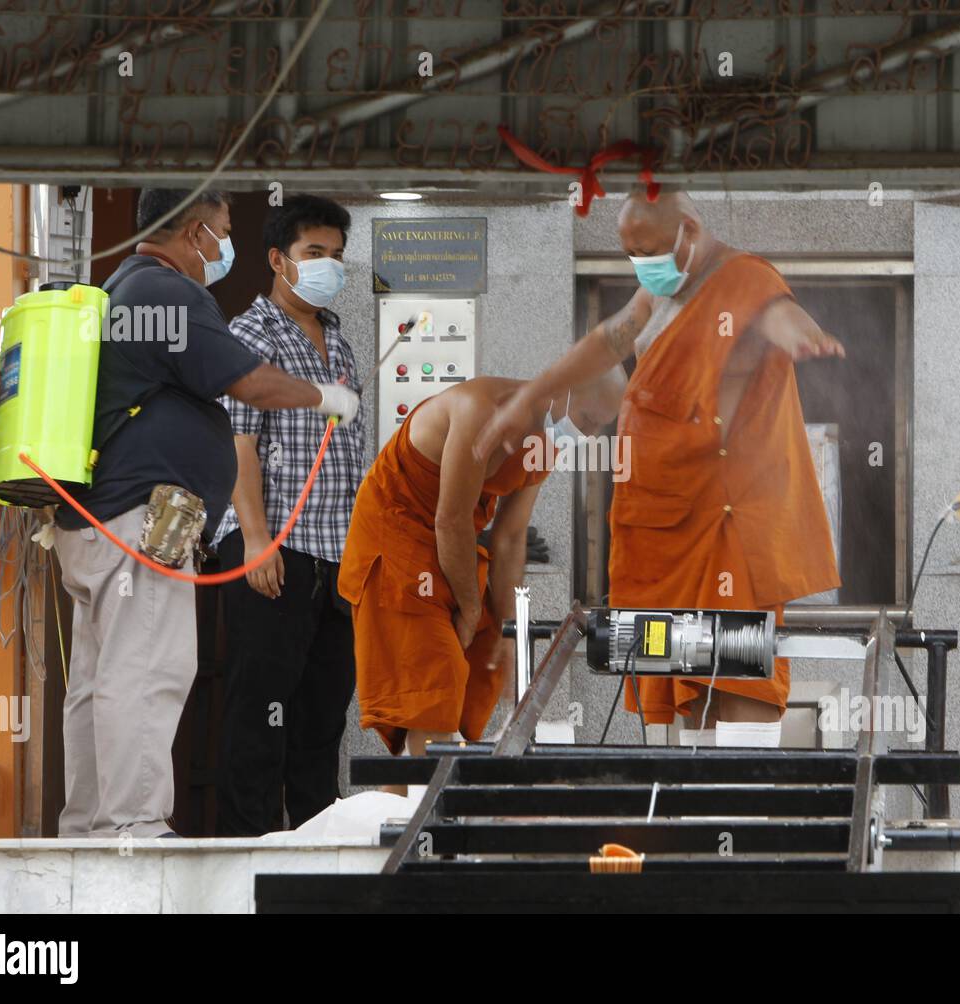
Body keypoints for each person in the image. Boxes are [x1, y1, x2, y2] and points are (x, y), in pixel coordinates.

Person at [472, 187, 843, 747]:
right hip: (660, 531)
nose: (639, 263)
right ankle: (687, 823)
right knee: (680, 702)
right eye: (628, 252)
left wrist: (797, 330)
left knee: (738, 690)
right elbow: (607, 340)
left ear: (689, 232)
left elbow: (775, 312)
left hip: (725, 531)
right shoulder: (656, 293)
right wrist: (531, 397)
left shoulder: (744, 279)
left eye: (647, 248)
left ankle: (729, 827)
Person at [53, 188, 359, 838]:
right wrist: (323, 396)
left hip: (104, 522)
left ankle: (89, 828)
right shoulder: (167, 292)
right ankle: (133, 827)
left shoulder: (124, 290)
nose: (226, 247)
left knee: (99, 678)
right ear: (194, 232)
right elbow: (247, 381)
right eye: (222, 232)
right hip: (137, 521)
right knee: (145, 668)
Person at [338, 373, 621, 782]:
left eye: (600, 426)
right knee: (435, 674)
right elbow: (450, 519)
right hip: (398, 535)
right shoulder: (482, 408)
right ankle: (436, 812)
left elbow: (509, 537)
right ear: (561, 393)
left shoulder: (547, 439)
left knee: (484, 659)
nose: (588, 433)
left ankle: (409, 799)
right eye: (589, 418)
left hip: (455, 544)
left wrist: (508, 629)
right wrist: (469, 606)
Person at [212, 195, 365, 835]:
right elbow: (238, 440)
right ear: (279, 259)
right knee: (259, 716)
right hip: (273, 549)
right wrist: (255, 540)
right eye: (314, 254)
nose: (328, 266)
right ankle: (242, 861)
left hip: (338, 557)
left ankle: (313, 861)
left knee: (321, 721)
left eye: (335, 255)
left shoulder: (342, 344)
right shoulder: (249, 337)